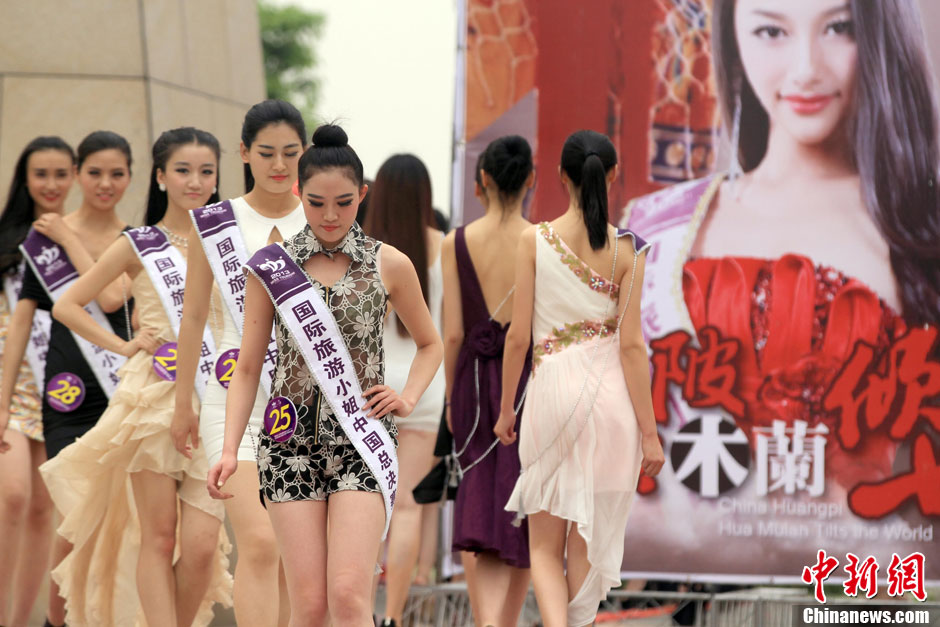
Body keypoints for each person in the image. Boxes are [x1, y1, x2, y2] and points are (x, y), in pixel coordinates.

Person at [616, 0, 940, 580]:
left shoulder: (924, 238)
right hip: (688, 600)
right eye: (771, 30)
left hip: (876, 601)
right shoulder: (654, 229)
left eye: (839, 27)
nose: (805, 68)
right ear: (733, 35)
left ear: (881, 30)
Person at [209, 124, 444, 627]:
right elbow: (248, 366)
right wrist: (231, 448)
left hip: (361, 442)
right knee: (310, 605)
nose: (330, 216)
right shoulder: (270, 267)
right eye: (316, 203)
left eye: (343, 202)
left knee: (349, 596)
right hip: (288, 443)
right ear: (299, 193)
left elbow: (431, 343)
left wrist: (406, 397)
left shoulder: (390, 263)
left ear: (363, 194)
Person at [41, 127, 231, 626]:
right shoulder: (140, 243)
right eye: (183, 170)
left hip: (213, 395)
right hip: (153, 398)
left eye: (206, 171)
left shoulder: (227, 243)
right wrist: (125, 345)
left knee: (201, 547)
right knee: (161, 535)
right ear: (161, 176)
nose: (196, 181)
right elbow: (68, 304)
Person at [496, 129, 665, 627]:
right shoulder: (628, 252)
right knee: (586, 547)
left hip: (551, 395)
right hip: (612, 407)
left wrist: (507, 408)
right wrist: (650, 435)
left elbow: (517, 338)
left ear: (560, 177)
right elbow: (633, 347)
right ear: (612, 175)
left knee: (545, 549)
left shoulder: (535, 239)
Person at [173, 99, 308, 625]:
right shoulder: (214, 223)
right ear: (245, 153)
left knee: (292, 555)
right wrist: (182, 402)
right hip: (231, 404)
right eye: (267, 153)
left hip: (303, 408)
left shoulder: (322, 219)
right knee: (259, 539)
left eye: (291, 154)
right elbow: (191, 320)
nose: (279, 165)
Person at [0, 130, 135, 627]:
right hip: (51, 396)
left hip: (111, 396)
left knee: (84, 521)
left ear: (131, 177)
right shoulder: (39, 243)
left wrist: (71, 239)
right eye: (94, 172)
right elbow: (19, 326)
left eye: (116, 173)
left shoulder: (134, 240)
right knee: (52, 509)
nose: (104, 183)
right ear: (82, 174)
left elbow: (117, 297)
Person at [445, 135, 534, 627]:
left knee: (477, 496)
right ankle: (505, 622)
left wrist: (446, 401)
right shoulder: (541, 240)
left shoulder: (454, 242)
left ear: (481, 182)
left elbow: (454, 331)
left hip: (472, 386)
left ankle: (484, 622)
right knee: (521, 502)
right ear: (531, 180)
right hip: (525, 384)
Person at [364, 154, 445, 627]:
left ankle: (358, 610)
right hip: (425, 388)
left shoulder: (367, 250)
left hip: (371, 389)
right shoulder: (445, 248)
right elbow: (445, 333)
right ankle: (393, 617)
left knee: (366, 503)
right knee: (410, 507)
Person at [0, 137, 75, 627]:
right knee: (13, 497)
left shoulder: (79, 237)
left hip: (58, 386)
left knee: (44, 510)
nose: (50, 185)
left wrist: (70, 240)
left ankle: (21, 619)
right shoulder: (7, 240)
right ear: (25, 180)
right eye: (40, 174)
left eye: (60, 174)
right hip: (9, 379)